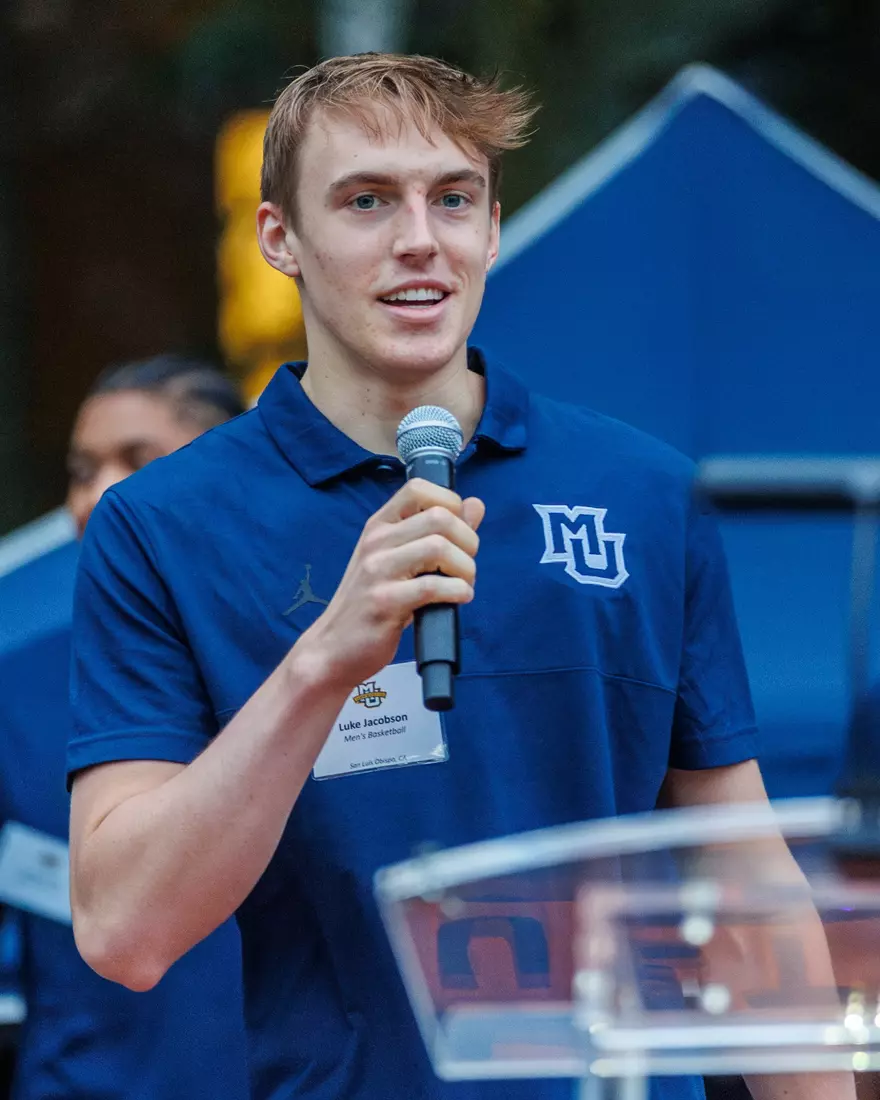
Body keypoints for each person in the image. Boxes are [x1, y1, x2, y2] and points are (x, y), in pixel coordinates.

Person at [65, 55, 852, 1100]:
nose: (419, 240)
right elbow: (125, 930)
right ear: (278, 239)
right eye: (365, 201)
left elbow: (746, 876)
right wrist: (322, 665)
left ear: (490, 228)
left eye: (453, 198)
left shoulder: (642, 491)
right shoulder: (160, 525)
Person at [0, 355, 249, 1100]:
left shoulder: (320, 658)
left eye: (138, 461)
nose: (99, 494)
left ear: (229, 474)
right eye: (82, 470)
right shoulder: (18, 683)